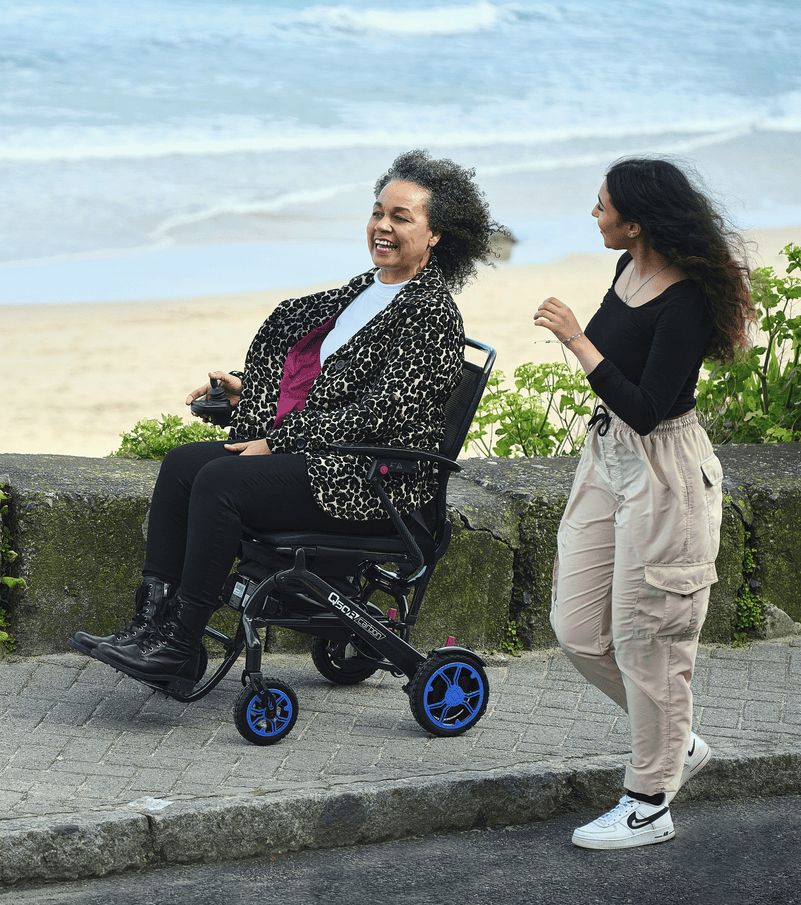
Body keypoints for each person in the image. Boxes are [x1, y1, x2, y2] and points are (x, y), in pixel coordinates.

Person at [70, 150, 498, 693]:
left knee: (221, 481)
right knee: (181, 464)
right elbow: (317, 377)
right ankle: (151, 624)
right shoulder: (366, 290)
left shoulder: (431, 313)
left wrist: (277, 441)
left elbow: (377, 413)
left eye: (401, 217)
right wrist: (248, 389)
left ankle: (180, 641)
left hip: (368, 478)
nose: (382, 227)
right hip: (322, 452)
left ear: (436, 235)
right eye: (377, 212)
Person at [533, 157, 755, 850]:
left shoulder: (684, 300)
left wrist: (575, 339)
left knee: (648, 641)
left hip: (663, 471)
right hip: (608, 459)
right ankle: (674, 740)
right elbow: (620, 379)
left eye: (601, 206)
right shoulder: (627, 266)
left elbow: (646, 406)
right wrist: (586, 342)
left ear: (635, 222)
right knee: (576, 628)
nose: (593, 214)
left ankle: (648, 802)